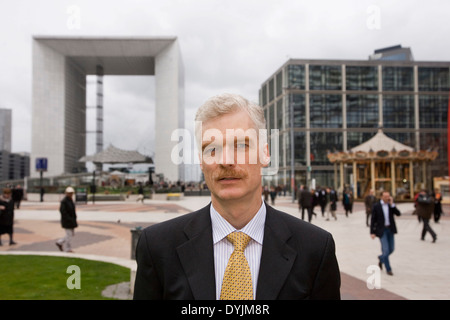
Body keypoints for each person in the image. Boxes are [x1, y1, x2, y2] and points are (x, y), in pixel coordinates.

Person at [133, 93, 341, 300]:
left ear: (265, 154)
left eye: (241, 145)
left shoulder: (315, 249)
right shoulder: (158, 247)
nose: (226, 160)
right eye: (212, 148)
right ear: (201, 161)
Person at [370, 191, 401, 276]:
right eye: (385, 196)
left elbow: (398, 214)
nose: (387, 198)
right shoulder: (376, 206)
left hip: (390, 229)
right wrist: (372, 232)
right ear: (381, 197)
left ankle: (381, 258)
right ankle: (388, 269)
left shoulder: (390, 206)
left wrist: (392, 205)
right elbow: (373, 219)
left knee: (391, 249)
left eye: (388, 196)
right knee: (386, 250)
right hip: (382, 230)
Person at [55, 186, 78, 253]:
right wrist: (69, 219)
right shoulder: (64, 201)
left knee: (70, 235)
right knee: (69, 235)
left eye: (71, 193)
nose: (70, 194)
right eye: (69, 193)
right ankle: (68, 248)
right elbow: (63, 212)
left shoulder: (71, 200)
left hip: (71, 220)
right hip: (67, 221)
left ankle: (60, 242)